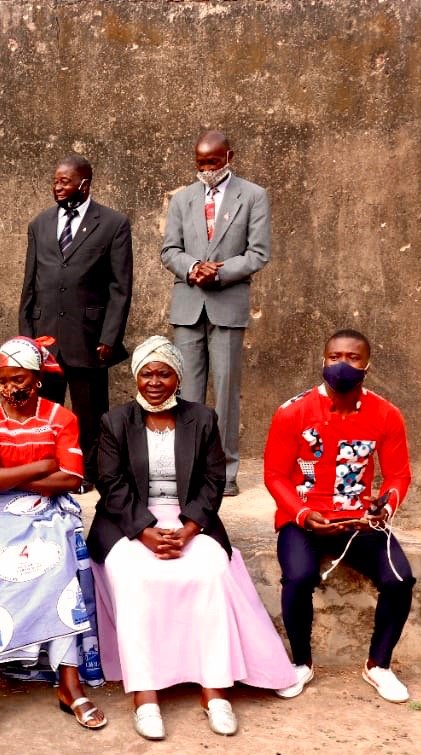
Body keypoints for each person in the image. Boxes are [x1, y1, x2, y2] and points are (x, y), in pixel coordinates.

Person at [89, 337, 296, 740]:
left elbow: (213, 480)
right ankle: (145, 695)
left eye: (163, 373)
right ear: (135, 377)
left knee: (210, 572)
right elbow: (110, 484)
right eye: (146, 373)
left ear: (178, 377)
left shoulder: (201, 418)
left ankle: (214, 690)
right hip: (129, 521)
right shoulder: (115, 421)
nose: (154, 381)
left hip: (189, 520)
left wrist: (188, 529)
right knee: (132, 576)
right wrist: (145, 532)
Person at [0, 336, 106, 737]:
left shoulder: (61, 418)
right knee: (5, 566)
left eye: (19, 378)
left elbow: (72, 478)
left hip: (47, 512)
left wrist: (6, 472)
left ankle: (68, 680)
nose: (10, 388)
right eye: (3, 379)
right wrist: (43, 464)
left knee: (56, 560)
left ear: (37, 379)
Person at [264, 329, 415, 703]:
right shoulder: (292, 412)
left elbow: (398, 475)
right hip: (304, 520)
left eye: (351, 357)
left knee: (401, 580)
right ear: (323, 359)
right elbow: (275, 475)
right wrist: (300, 513)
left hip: (359, 521)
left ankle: (378, 665)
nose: (342, 364)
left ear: (367, 364)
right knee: (298, 578)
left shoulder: (386, 414)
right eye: (334, 357)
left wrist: (385, 505)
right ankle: (301, 663)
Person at [161, 130, 271, 496]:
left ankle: (224, 473)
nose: (206, 169)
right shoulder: (183, 200)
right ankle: (189, 469)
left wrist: (219, 271)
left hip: (227, 305)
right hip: (189, 305)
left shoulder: (253, 196)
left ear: (229, 156)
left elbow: (258, 253)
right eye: (200, 163)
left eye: (213, 162)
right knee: (187, 394)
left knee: (225, 391)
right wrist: (193, 267)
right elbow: (169, 250)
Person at [19, 154, 132, 488]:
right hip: (45, 340)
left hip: (89, 337)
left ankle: (88, 473)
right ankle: (49, 465)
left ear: (84, 184)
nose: (57, 186)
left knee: (90, 414)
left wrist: (109, 338)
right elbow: (29, 284)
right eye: (55, 180)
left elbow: (120, 287)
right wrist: (27, 339)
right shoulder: (39, 224)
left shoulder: (113, 224)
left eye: (65, 181)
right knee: (46, 411)